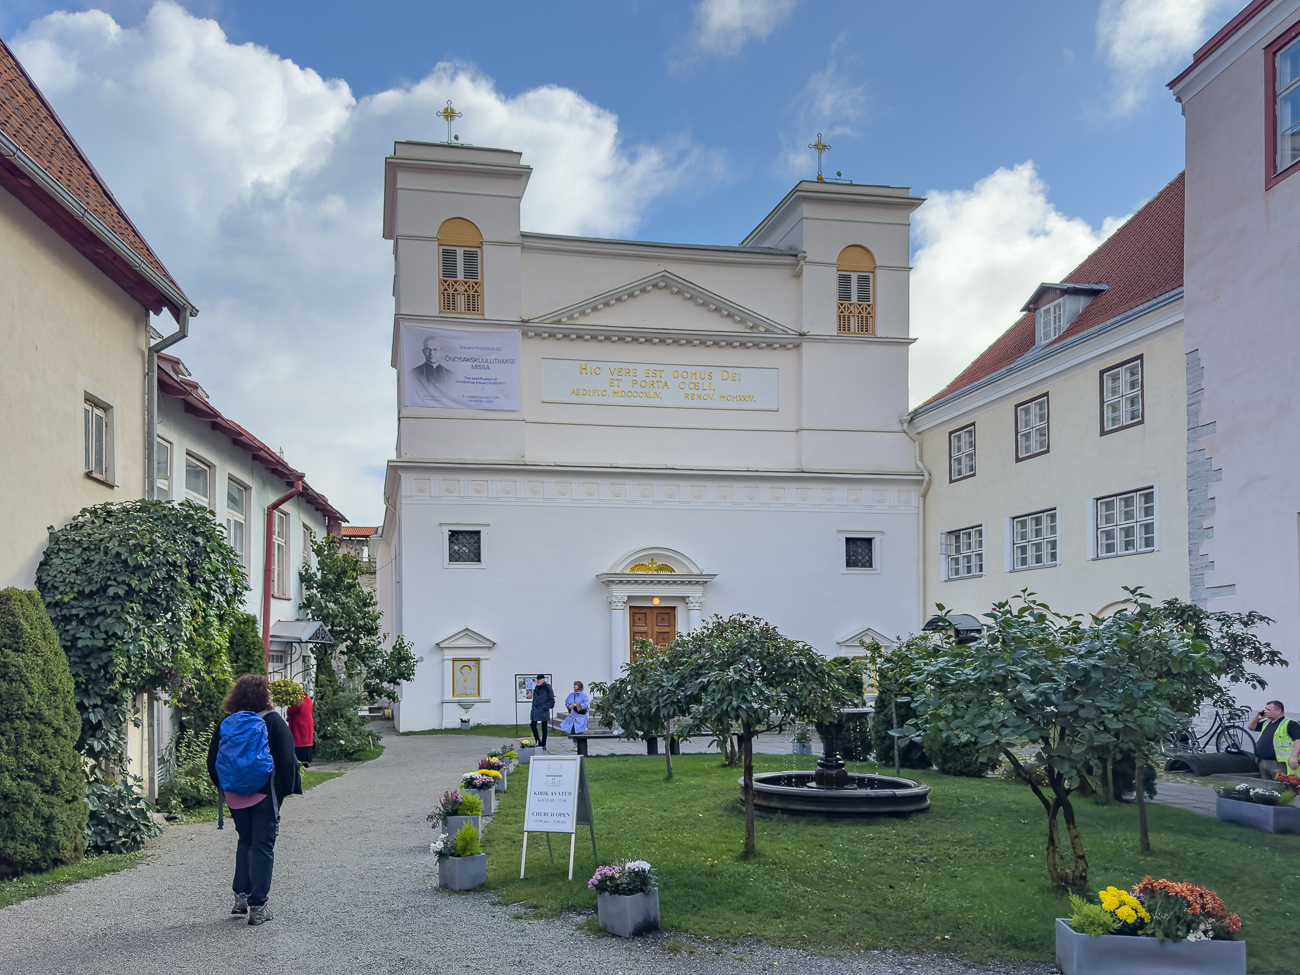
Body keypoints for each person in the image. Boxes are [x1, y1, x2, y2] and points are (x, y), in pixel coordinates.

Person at [207, 674, 299, 926]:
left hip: (236, 796)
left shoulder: (227, 723)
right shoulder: (273, 722)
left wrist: (226, 788)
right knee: (263, 846)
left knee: (245, 840)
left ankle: (241, 897)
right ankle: (258, 907)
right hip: (264, 794)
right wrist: (280, 792)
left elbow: (212, 761)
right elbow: (288, 762)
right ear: (265, 695)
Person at [1248, 700, 1300, 781]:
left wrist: (1294, 757)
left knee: (1283, 788)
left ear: (1278, 710)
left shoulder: (1290, 724)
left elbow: (1298, 740)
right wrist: (1257, 718)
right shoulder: (1266, 723)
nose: (1265, 711)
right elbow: (1251, 727)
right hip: (1263, 762)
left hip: (1280, 764)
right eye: (1265, 709)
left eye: (1268, 709)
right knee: (1267, 790)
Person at [408, 335, 459, 407]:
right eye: (428, 349)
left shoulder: (451, 375)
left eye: (435, 350)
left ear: (441, 352)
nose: (431, 353)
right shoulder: (414, 373)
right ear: (423, 351)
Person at [286, 694, 315, 768]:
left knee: (299, 742)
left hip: (299, 725)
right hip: (308, 724)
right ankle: (307, 761)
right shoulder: (309, 701)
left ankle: (299, 760)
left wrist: (290, 703)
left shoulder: (298, 702)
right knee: (307, 742)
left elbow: (289, 711)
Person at [529, 674, 555, 750]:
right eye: (537, 680)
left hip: (543, 710)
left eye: (539, 680)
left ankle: (543, 744)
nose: (537, 681)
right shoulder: (537, 687)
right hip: (536, 709)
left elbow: (551, 700)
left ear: (543, 680)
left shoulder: (547, 687)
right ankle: (537, 741)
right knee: (533, 725)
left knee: (544, 727)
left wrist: (545, 707)